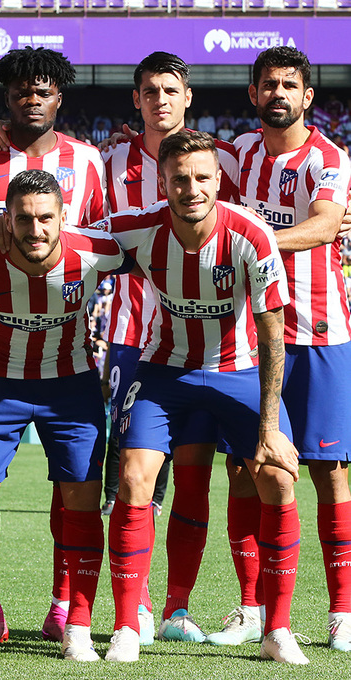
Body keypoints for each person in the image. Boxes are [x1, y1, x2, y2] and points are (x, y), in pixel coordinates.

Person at [104, 129, 303, 665]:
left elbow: (271, 334)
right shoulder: (138, 229)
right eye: (179, 179)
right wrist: (5, 225)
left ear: (219, 178)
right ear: (162, 182)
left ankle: (276, 630)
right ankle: (127, 625)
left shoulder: (252, 236)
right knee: (132, 478)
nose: (191, 188)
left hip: (237, 370)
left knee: (278, 477)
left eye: (201, 177)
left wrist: (267, 429)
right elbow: (66, 243)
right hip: (165, 370)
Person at [0, 170, 129, 661]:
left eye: (45, 218)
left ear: (64, 218)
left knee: (80, 506)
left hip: (71, 387)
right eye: (24, 219)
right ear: (6, 220)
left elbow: (156, 242)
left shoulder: (97, 250)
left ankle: (78, 626)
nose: (35, 229)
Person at [0, 45, 106, 646]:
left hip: (70, 361)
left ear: (58, 97)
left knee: (74, 492)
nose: (30, 98)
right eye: (20, 89)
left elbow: (108, 238)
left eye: (42, 89)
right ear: (5, 96)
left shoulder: (88, 162)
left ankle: (67, 604)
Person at [211, 46, 351, 653]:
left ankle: (342, 612)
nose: (278, 93)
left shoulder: (328, 158)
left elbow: (324, 226)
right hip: (250, 335)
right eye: (268, 84)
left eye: (290, 85)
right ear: (252, 93)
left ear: (307, 96)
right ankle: (249, 608)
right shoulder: (238, 154)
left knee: (329, 472)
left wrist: (253, 239)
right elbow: (171, 152)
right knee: (245, 469)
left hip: (320, 334)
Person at [101, 51, 241, 644]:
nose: (160, 99)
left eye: (171, 89)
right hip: (132, 339)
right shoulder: (104, 158)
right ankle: (129, 607)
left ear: (188, 98)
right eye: (149, 90)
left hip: (211, 343)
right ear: (136, 99)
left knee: (196, 477)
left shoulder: (223, 159)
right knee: (128, 481)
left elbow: (247, 229)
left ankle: (180, 607)